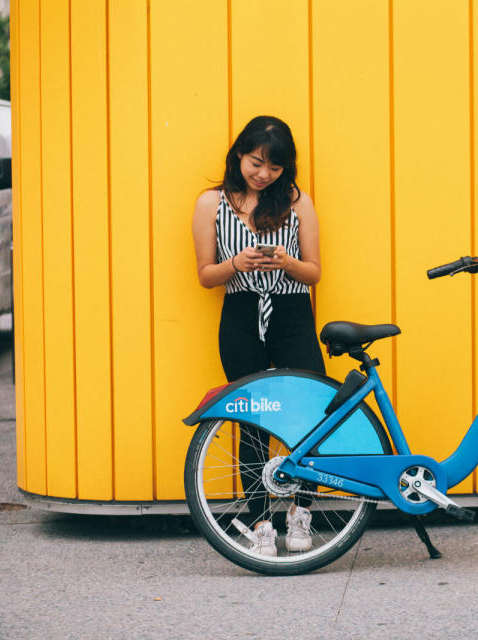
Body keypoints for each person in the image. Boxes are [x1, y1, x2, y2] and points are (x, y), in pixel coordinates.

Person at [192, 115, 323, 555]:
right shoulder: (211, 203)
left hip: (292, 313)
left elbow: (314, 272)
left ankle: (301, 513)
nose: (264, 174)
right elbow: (207, 276)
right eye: (256, 163)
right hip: (242, 314)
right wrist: (237, 265)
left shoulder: (297, 202)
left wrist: (286, 262)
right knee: (252, 421)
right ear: (238, 155)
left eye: (275, 167)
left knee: (308, 415)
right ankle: (260, 522)